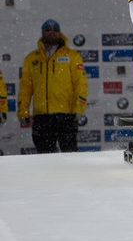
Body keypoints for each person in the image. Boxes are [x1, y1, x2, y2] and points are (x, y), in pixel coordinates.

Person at [17, 20, 87, 154]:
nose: (52, 32)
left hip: (66, 116)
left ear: (59, 33)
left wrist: (79, 108)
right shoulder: (32, 59)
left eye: (55, 29)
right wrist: (23, 111)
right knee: (44, 160)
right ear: (43, 33)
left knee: (70, 157)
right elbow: (25, 88)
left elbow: (81, 84)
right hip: (42, 117)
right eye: (48, 29)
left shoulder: (72, 56)